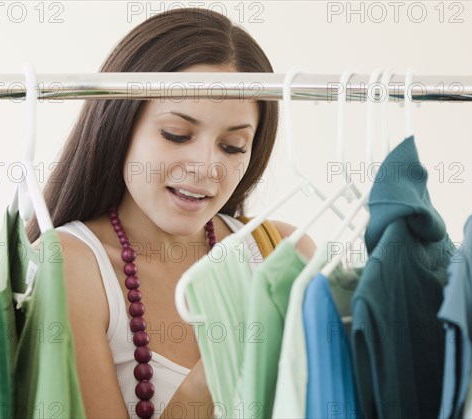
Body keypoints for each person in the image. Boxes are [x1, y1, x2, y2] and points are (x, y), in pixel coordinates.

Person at [27, 7, 315, 419]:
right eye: (176, 135)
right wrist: (213, 374)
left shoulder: (285, 252)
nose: (205, 167)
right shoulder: (71, 266)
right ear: (120, 125)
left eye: (232, 146)